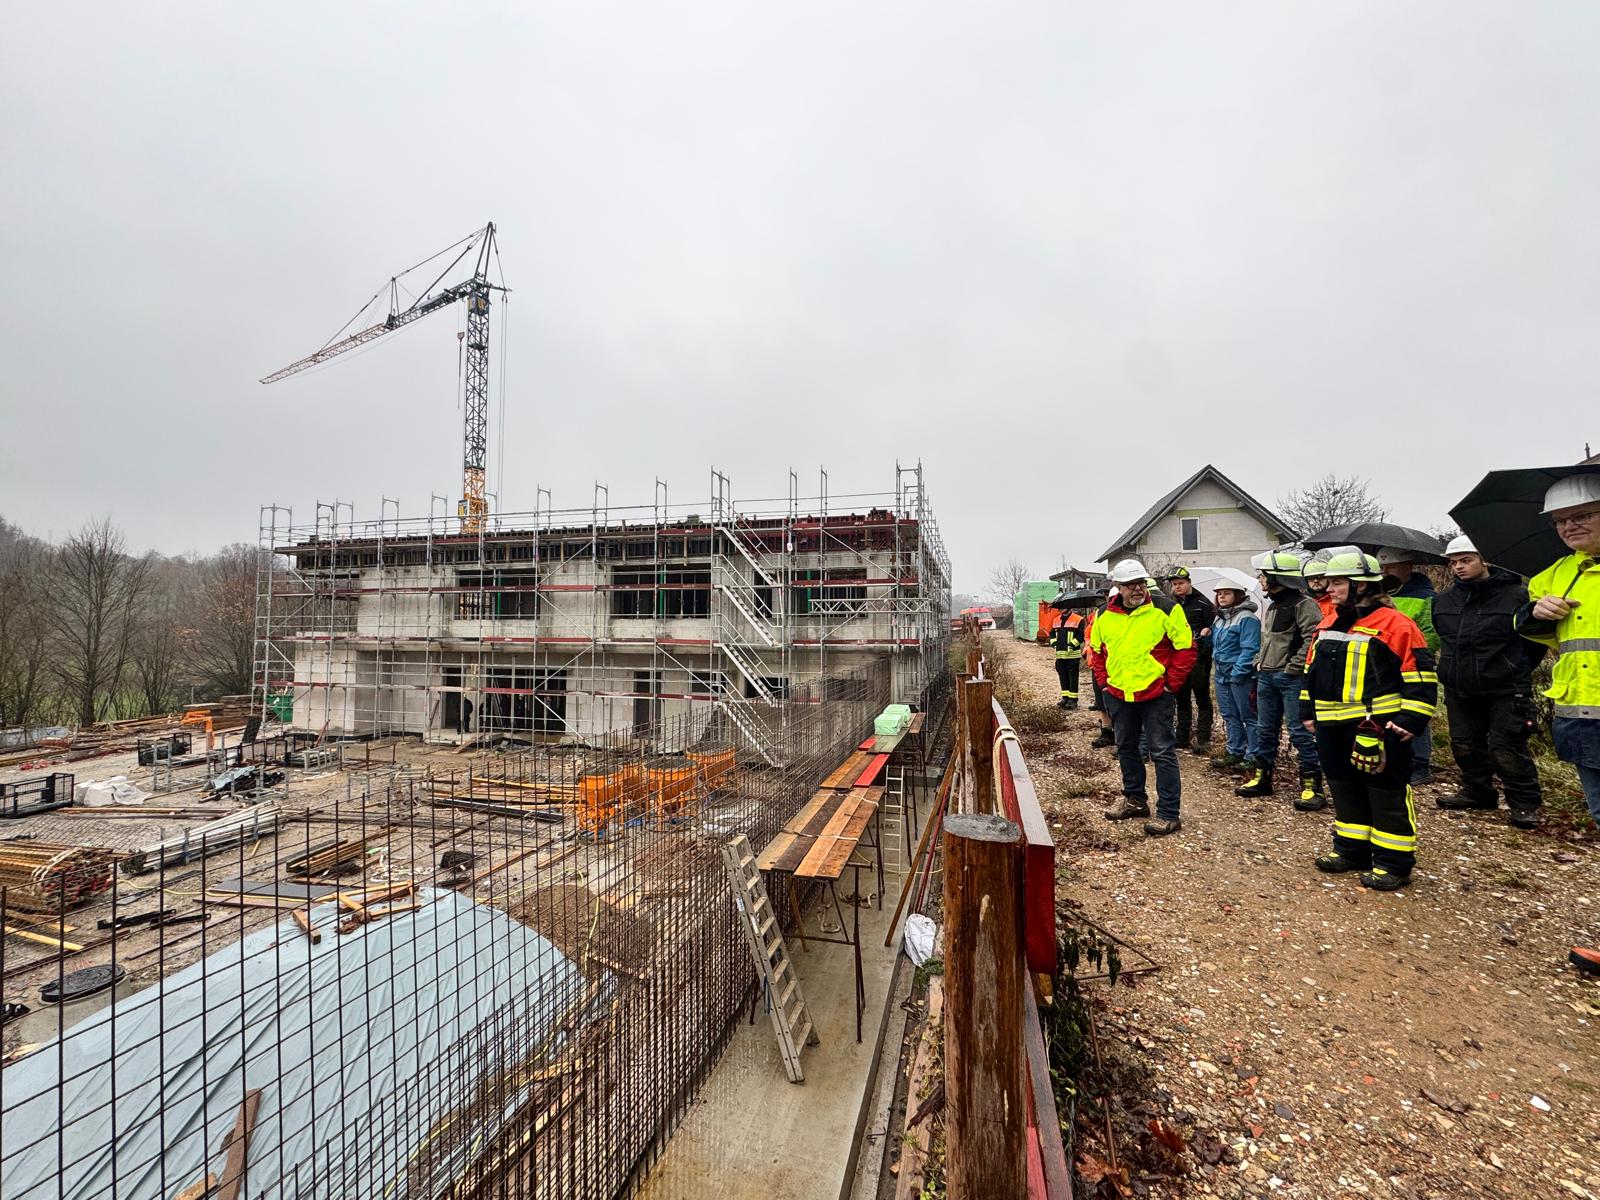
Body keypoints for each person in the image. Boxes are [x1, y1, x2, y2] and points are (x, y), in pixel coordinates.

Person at [1300, 551, 1438, 892]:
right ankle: (1352, 849)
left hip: (1378, 727)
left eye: (1337, 582)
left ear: (1361, 585)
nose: (1329, 588)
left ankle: (1393, 863)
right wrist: (1307, 711)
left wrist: (1411, 719)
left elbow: (1421, 676)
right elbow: (1311, 672)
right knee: (1344, 789)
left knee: (1386, 793)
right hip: (1331, 726)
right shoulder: (1328, 622)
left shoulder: (1398, 625)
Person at [1513, 474, 1600, 976]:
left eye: (1581, 515)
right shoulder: (1552, 576)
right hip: (1581, 714)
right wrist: (1535, 614)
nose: (1569, 526)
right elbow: (1537, 635)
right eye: (1560, 520)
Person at [1433, 534, 1546, 828]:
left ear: (1484, 560)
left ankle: (1523, 803)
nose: (1459, 567)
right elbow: (1444, 639)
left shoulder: (1517, 596)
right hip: (1459, 686)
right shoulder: (1444, 600)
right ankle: (1477, 791)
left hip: (1505, 687)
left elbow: (1534, 643)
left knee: (1506, 746)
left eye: (1466, 560)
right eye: (1454, 562)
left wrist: (1511, 667)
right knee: (1464, 743)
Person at [1090, 559, 1196, 836]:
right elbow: (1097, 651)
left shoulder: (1166, 609)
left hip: (1156, 694)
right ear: (1118, 588)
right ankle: (1135, 801)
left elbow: (1185, 648)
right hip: (1119, 694)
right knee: (1126, 748)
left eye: (1140, 583)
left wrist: (1171, 684)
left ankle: (1169, 813)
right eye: (1129, 585)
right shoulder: (1103, 614)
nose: (1137, 589)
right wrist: (1104, 684)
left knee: (1161, 752)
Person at [1237, 551, 1325, 809]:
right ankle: (1262, 778)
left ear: (1277, 578)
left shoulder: (1304, 604)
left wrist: (1292, 668)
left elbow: (1312, 638)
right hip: (1266, 677)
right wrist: (1258, 662)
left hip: (1291, 679)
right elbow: (1271, 641)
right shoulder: (1274, 605)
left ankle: (1312, 787)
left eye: (1264, 575)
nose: (1260, 580)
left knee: (1299, 732)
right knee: (1265, 731)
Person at [1378, 547, 1440, 785]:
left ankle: (1421, 764)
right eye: (1382, 568)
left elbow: (1430, 632)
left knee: (1415, 710)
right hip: (1385, 665)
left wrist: (1414, 655)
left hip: (1411, 662)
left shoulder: (1425, 596)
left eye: (1391, 568)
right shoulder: (1379, 594)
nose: (1386, 573)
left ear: (1408, 566)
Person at [1209, 584, 1260, 771]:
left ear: (1237, 595)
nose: (1221, 597)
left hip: (1240, 676)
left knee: (1248, 715)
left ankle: (1253, 754)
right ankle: (1234, 751)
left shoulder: (1247, 618)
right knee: (1230, 715)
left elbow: (1250, 648)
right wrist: (1207, 635)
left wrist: (1239, 673)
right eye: (1219, 594)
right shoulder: (1219, 619)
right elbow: (1217, 646)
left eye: (1226, 593)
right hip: (1222, 674)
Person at [1164, 567, 1216, 753]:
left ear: (1189, 583)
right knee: (1182, 698)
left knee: (1202, 698)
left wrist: (1204, 646)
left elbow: (1213, 629)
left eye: (1181, 583)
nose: (1177, 587)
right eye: (1174, 584)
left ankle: (1203, 738)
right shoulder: (1171, 604)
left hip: (1199, 659)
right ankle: (1182, 737)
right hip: (1178, 659)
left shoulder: (1204, 603)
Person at [1086, 588, 1117, 748]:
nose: (1108, 598)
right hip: (1099, 664)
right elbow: (1089, 634)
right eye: (1106, 595)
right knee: (1101, 701)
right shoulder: (1099, 614)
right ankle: (1107, 732)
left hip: (1116, 666)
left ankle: (1121, 735)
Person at [1052, 607, 1086, 709]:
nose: (1061, 609)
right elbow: (1052, 634)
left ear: (1069, 607)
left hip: (1072, 655)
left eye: (1063, 607)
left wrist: (1072, 645)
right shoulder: (1056, 620)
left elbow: (1081, 635)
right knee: (1063, 677)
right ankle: (1065, 698)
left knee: (1073, 678)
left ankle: (1073, 700)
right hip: (1060, 656)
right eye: (1060, 607)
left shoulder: (1078, 619)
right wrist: (1054, 643)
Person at [1303, 549, 1337, 619]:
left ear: (1328, 578)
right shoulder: (1302, 603)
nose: (1315, 581)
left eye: (1320, 577)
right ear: (1306, 581)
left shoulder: (1337, 599)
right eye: (1311, 578)